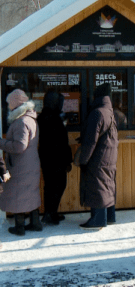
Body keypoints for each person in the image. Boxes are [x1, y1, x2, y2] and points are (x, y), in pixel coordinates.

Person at [0, 89, 42, 236]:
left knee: (18, 194)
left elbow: (19, 146)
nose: (8, 107)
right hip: (31, 163)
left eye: (9, 104)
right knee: (31, 193)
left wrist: (1, 143)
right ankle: (35, 223)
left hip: (20, 165)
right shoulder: (31, 119)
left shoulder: (21, 121)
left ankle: (19, 227)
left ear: (15, 104)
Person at [78, 83, 119, 229]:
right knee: (107, 185)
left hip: (98, 157)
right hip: (108, 156)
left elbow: (90, 141)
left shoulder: (97, 113)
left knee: (98, 186)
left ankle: (98, 219)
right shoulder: (109, 111)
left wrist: (83, 160)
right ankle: (110, 216)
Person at [37, 91, 73, 225]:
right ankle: (50, 213)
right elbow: (63, 142)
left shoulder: (41, 117)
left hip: (46, 157)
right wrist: (68, 160)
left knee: (50, 186)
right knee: (59, 185)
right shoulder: (55, 118)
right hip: (57, 158)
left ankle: (50, 213)